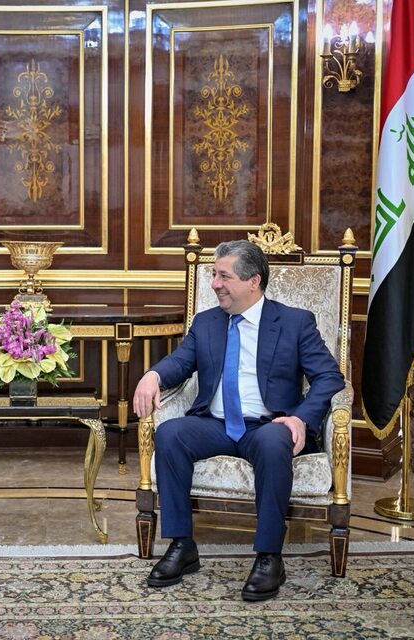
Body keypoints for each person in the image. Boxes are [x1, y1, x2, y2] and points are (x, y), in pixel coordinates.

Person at [132, 239, 344, 601]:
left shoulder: (294, 322)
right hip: (214, 424)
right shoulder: (206, 322)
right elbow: (181, 362)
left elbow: (329, 377)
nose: (214, 284)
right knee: (169, 433)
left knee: (274, 441)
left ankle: (269, 557)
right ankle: (182, 545)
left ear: (253, 281)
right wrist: (153, 375)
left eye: (223, 276)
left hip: (267, 425)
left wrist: (299, 419)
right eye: (214, 275)